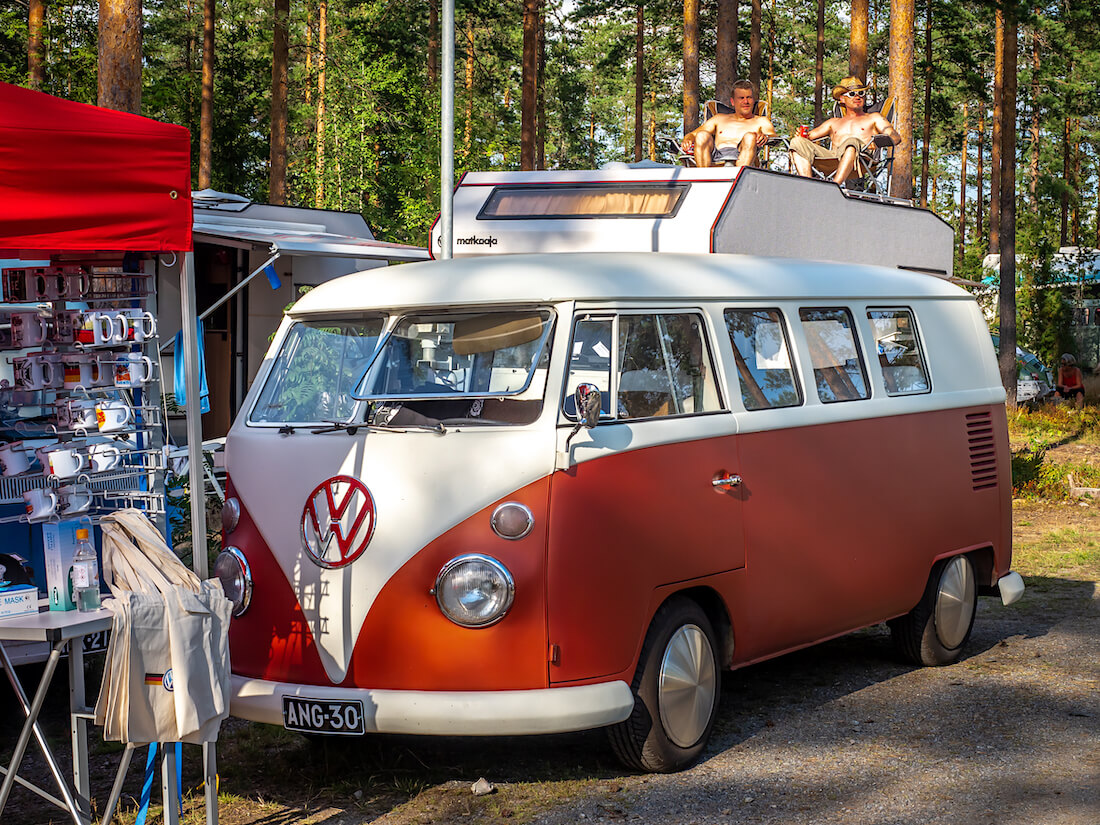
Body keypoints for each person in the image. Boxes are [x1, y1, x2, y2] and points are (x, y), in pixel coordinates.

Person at [789, 75, 901, 184]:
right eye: (852, 94)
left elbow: (895, 137)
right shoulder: (833, 122)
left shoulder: (874, 117)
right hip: (831, 158)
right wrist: (801, 135)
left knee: (851, 142)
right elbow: (808, 137)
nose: (858, 97)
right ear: (842, 99)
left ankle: (835, 185)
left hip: (862, 161)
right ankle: (807, 184)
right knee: (797, 142)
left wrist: (878, 142)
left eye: (861, 93)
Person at [680, 80, 776, 168]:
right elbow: (692, 134)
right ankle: (703, 178)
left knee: (750, 136)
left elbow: (774, 137)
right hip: (714, 158)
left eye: (749, 98)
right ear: (733, 102)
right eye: (741, 98)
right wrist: (687, 140)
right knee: (702, 135)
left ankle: (740, 179)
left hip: (744, 158)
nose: (746, 101)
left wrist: (765, 137)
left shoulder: (761, 121)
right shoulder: (719, 118)